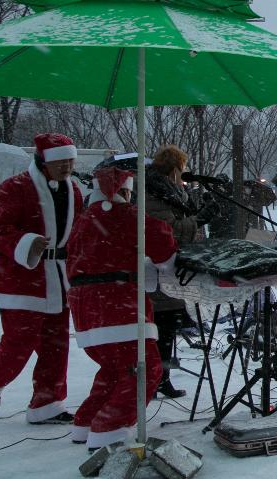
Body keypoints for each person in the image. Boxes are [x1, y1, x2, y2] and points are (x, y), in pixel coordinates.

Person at [67, 165, 178, 448]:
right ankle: (109, 429)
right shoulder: (127, 217)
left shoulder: (83, 220)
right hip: (117, 305)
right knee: (145, 369)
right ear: (124, 192)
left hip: (85, 307)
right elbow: (162, 244)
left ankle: (86, 422)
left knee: (114, 368)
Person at [0, 133, 83, 423]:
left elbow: (79, 231)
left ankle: (47, 403)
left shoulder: (73, 190)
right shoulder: (15, 188)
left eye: (70, 161)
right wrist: (25, 243)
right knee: (19, 342)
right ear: (44, 161)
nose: (67, 167)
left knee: (56, 345)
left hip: (58, 280)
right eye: (61, 162)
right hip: (22, 281)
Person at [143, 145, 201, 400]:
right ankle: (155, 379)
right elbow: (168, 229)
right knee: (160, 328)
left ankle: (160, 377)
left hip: (168, 269)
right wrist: (197, 221)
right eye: (182, 168)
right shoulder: (153, 194)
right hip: (156, 269)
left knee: (166, 328)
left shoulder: (169, 192)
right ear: (175, 168)